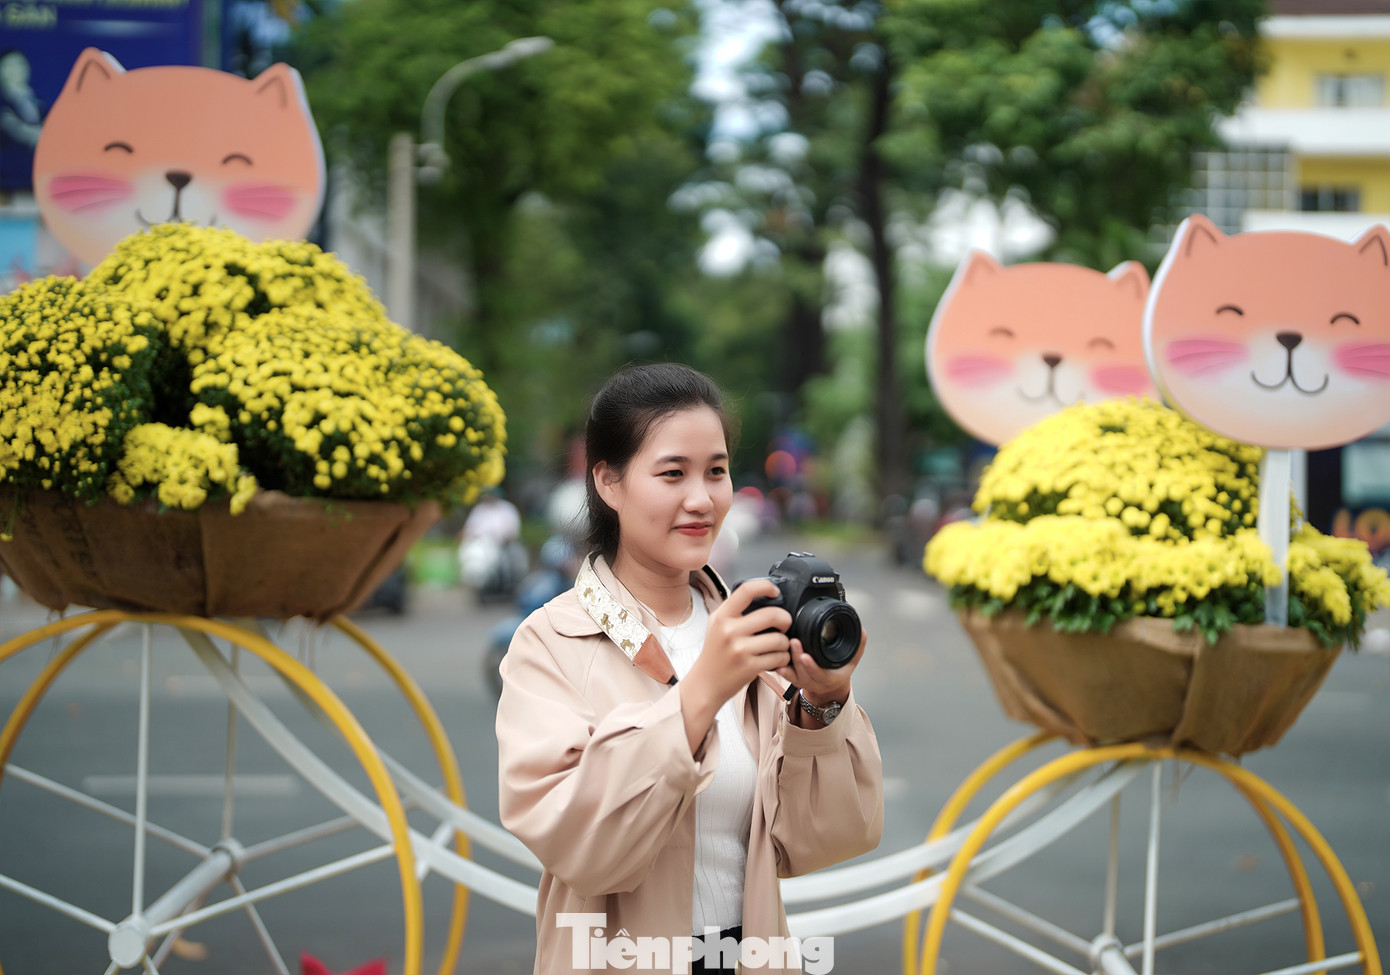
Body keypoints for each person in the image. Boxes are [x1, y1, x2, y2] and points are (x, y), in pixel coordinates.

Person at [496, 363, 884, 974]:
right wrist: (702, 691)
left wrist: (822, 705)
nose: (702, 499)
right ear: (609, 482)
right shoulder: (549, 643)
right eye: (673, 473)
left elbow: (826, 837)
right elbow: (580, 850)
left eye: (717, 472)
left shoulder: (753, 631)